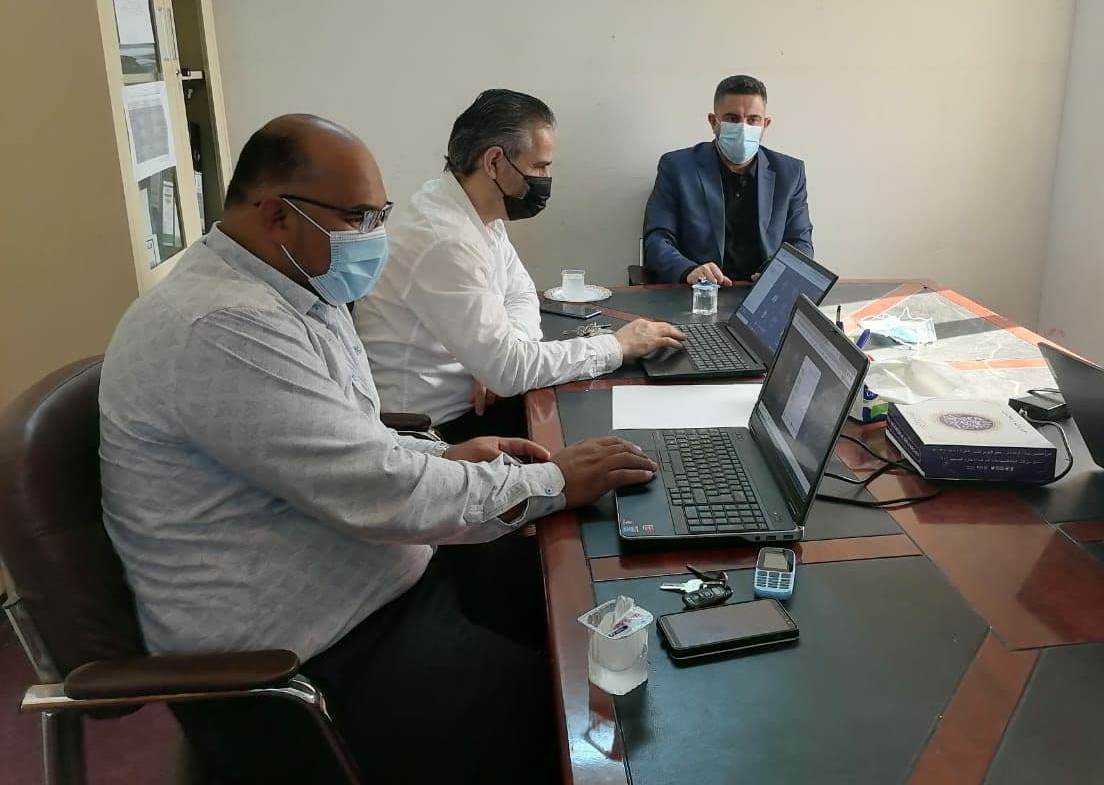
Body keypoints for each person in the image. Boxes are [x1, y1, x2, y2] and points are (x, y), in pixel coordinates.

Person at [98, 113, 658, 785]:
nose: (373, 237)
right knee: (580, 723)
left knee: (579, 597)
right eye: (358, 217)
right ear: (277, 215)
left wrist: (439, 455)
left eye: (379, 215)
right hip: (313, 654)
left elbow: (347, 434)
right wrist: (554, 483)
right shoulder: (223, 326)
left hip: (377, 578)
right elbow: (378, 489)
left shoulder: (292, 289)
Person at [356, 89, 685, 441]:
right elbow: (510, 370)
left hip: (479, 400)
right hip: (437, 431)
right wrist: (616, 346)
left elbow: (522, 293)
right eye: (539, 166)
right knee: (607, 435)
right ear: (494, 162)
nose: (546, 176)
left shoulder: (474, 210)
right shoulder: (444, 239)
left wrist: (501, 359)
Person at [642, 74, 814, 286]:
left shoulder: (790, 173)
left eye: (753, 120)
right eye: (732, 119)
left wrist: (777, 273)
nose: (743, 127)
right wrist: (688, 270)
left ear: (765, 124)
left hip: (763, 291)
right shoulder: (677, 168)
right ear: (714, 122)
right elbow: (657, 239)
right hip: (699, 291)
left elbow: (800, 243)